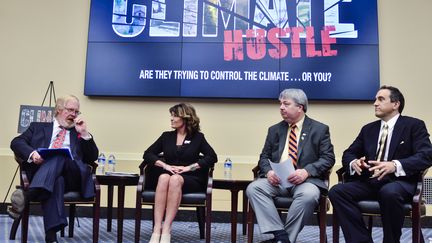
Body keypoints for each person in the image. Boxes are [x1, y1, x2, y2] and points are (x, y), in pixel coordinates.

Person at [328, 85, 432, 243]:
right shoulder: (368, 129)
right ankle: (361, 240)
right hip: (370, 181)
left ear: (395, 104)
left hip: (400, 183)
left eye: (381, 99)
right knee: (337, 191)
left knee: (389, 192)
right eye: (375, 99)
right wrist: (354, 162)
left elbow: (426, 156)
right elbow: (348, 153)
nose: (375, 103)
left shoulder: (414, 125)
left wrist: (395, 165)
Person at [246, 89, 335, 243]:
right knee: (253, 188)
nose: (281, 107)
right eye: (280, 104)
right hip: (277, 181)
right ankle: (282, 236)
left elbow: (328, 158)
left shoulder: (319, 129)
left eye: (286, 104)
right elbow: (264, 157)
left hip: (306, 181)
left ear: (300, 107)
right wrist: (268, 173)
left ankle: (284, 239)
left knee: (309, 195)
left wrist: (306, 172)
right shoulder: (274, 130)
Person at [9, 95, 98, 243]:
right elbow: (16, 142)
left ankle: (28, 195)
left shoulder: (78, 133)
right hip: (45, 176)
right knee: (57, 181)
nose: (74, 115)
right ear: (58, 109)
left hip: (73, 176)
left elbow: (92, 156)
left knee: (60, 155)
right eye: (70, 110)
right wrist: (33, 154)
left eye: (77, 112)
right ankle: (51, 237)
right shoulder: (37, 127)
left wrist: (84, 134)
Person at [143, 103, 217, 243]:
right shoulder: (166, 136)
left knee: (175, 179)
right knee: (164, 177)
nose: (171, 119)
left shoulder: (198, 138)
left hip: (190, 178)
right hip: (169, 176)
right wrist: (165, 165)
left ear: (185, 118)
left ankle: (167, 229)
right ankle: (157, 229)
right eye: (171, 115)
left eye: (175, 115)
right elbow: (148, 154)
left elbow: (212, 157)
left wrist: (189, 168)